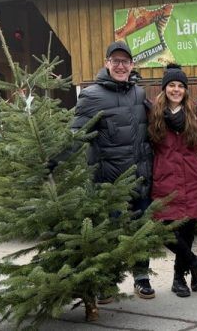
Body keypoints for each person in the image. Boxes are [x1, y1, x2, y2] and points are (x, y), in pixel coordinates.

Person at [71, 41, 155, 302]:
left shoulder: (139, 93)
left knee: (141, 230)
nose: (120, 66)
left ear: (132, 65)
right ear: (107, 63)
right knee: (111, 234)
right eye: (115, 61)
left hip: (140, 176)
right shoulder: (91, 95)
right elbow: (76, 133)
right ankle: (107, 283)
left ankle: (141, 277)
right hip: (109, 181)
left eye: (125, 61)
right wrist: (54, 160)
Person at [148, 64, 197, 298]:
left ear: (186, 90)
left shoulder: (196, 112)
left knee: (186, 232)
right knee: (162, 230)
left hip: (191, 177)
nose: (176, 89)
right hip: (165, 177)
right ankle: (195, 262)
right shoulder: (153, 112)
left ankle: (178, 279)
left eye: (180, 86)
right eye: (171, 85)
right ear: (164, 88)